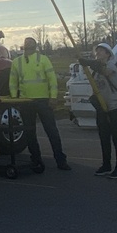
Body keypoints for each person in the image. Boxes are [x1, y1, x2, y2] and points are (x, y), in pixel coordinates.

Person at [9, 37, 70, 171]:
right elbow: (13, 82)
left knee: (51, 131)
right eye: (26, 44)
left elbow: (52, 79)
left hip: (43, 100)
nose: (28, 46)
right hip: (26, 102)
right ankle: (36, 160)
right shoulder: (16, 62)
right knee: (30, 133)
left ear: (35, 46)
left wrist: (53, 97)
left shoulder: (43, 60)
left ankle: (60, 160)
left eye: (30, 44)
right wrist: (15, 99)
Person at [82, 43, 117, 178]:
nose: (98, 53)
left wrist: (90, 63)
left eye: (101, 51)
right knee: (104, 137)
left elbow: (106, 72)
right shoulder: (95, 71)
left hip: (114, 106)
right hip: (102, 107)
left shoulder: (111, 65)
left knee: (116, 137)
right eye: (97, 51)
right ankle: (106, 164)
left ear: (108, 54)